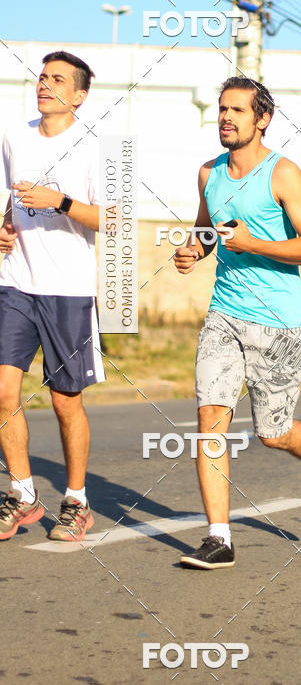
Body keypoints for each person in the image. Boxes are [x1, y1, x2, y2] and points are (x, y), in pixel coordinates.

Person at [175, 76, 301, 570]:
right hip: (224, 314)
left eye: (238, 111)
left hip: (278, 321)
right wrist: (194, 250)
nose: (226, 117)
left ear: (261, 119)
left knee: (273, 432)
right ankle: (219, 538)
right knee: (210, 422)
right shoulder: (209, 174)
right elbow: (207, 230)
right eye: (223, 109)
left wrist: (255, 244)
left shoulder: (282, 174)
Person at [0, 51, 105, 542]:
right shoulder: (14, 136)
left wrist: (59, 201)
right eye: (42, 76)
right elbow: (6, 201)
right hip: (15, 281)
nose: (45, 84)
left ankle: (77, 502)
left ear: (79, 96)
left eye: (58, 79)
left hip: (68, 290)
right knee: (3, 393)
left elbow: (116, 221)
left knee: (66, 403)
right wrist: (2, 228)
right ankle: (22, 495)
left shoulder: (93, 147)